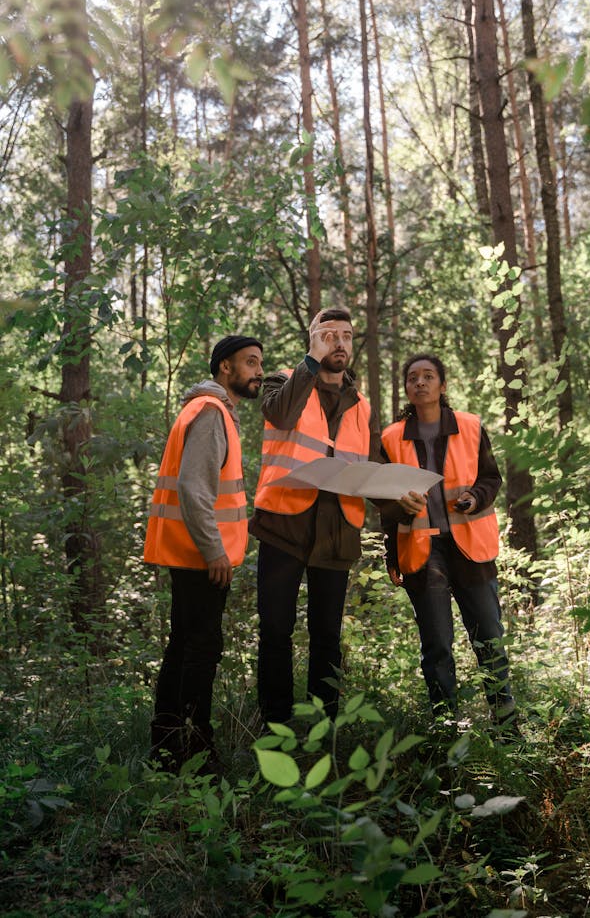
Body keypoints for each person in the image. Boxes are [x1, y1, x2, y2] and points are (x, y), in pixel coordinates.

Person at [250, 307, 383, 724]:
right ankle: (276, 723)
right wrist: (310, 361)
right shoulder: (283, 381)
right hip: (284, 522)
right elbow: (282, 416)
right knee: (276, 630)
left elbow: (372, 465)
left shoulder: (360, 404)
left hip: (337, 529)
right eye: (328, 335)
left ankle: (326, 727)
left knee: (327, 635)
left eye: (345, 335)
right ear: (312, 339)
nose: (338, 342)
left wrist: (403, 501)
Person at [144, 334, 264, 773]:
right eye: (250, 363)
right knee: (201, 649)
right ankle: (195, 752)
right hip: (202, 558)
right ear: (225, 368)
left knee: (183, 647)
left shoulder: (208, 411)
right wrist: (215, 551)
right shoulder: (211, 413)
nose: (258, 371)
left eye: (259, 363)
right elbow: (194, 489)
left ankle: (166, 747)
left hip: (193, 553)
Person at [381, 353, 518, 733]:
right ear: (406, 388)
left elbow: (491, 479)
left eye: (428, 376)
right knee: (437, 647)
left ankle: (508, 731)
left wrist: (476, 496)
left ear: (442, 385)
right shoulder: (391, 438)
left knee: (489, 640)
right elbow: (384, 502)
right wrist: (393, 551)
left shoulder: (471, 427)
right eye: (412, 377)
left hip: (470, 550)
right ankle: (447, 731)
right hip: (423, 555)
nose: (420, 382)